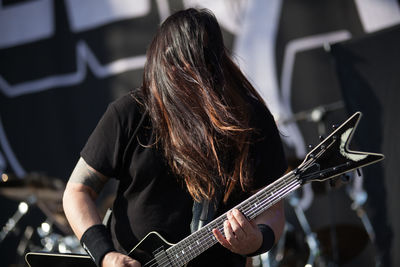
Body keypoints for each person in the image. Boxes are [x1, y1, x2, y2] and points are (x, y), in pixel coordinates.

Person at [63, 8, 287, 267]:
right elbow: (77, 191)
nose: (187, 77)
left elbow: (273, 208)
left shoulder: (249, 119)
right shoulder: (130, 113)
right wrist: (105, 255)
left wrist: (257, 240)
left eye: (198, 66)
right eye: (178, 66)